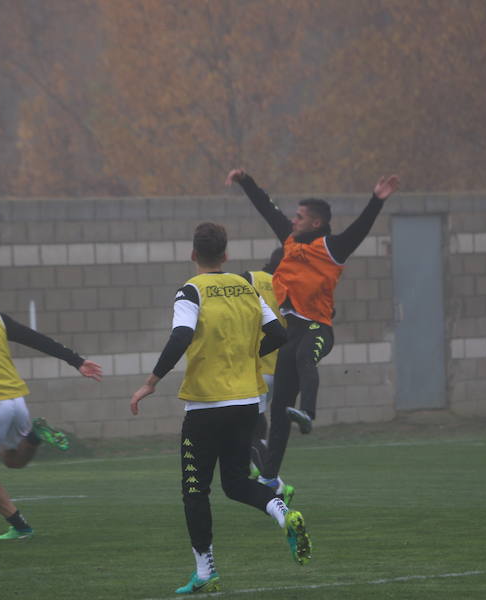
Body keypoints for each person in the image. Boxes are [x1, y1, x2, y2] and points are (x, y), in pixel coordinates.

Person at [130, 223, 310, 595]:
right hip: (247, 403)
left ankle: (205, 570)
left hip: (206, 406)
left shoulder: (191, 291)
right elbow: (278, 333)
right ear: (226, 255)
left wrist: (151, 382)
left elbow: (181, 335)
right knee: (237, 483)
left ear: (193, 254)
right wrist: (248, 358)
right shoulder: (246, 287)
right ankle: (283, 515)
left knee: (195, 491)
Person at [226, 168, 400, 492]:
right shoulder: (290, 242)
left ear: (316, 223)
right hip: (289, 334)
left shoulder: (332, 248)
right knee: (278, 412)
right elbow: (268, 210)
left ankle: (307, 412)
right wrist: (246, 181)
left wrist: (376, 201)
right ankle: (268, 477)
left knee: (307, 356)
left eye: (300, 216)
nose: (293, 220)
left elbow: (360, 229)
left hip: (319, 330)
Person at [0, 273, 102, 540]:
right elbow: (35, 338)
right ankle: (34, 436)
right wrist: (76, 360)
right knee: (11, 460)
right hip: (15, 400)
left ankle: (20, 526)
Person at [239, 247, 285, 486]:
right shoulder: (290, 287)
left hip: (256, 367)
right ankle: (253, 466)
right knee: (257, 422)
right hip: (281, 370)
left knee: (247, 429)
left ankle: (274, 482)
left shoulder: (250, 278)